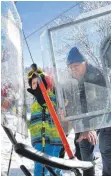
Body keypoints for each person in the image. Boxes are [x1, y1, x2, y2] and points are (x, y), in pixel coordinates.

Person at [66, 47, 111, 176]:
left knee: (106, 148)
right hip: (88, 120)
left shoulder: (96, 75)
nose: (74, 69)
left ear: (84, 62)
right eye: (71, 67)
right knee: (84, 146)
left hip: (106, 117)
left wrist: (90, 126)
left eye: (76, 66)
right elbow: (79, 103)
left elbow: (101, 102)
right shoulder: (73, 80)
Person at [27, 65, 63, 176]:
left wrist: (42, 97)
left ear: (45, 84)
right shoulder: (35, 100)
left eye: (39, 83)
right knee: (53, 168)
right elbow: (34, 119)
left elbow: (50, 106)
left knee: (43, 170)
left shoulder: (49, 97)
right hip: (38, 140)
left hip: (50, 140)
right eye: (33, 84)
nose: (36, 86)